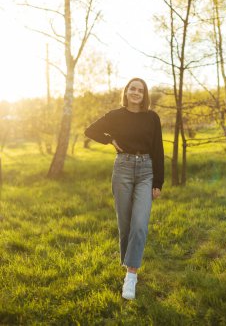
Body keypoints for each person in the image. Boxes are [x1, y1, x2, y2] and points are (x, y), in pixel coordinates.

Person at [84, 77, 164, 300]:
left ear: (144, 94)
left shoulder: (152, 117)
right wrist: (110, 140)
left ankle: (131, 276)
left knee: (140, 224)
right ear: (126, 91)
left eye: (140, 90)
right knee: (125, 224)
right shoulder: (115, 116)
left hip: (147, 170)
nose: (136, 92)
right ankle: (129, 265)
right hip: (123, 170)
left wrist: (158, 182)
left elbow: (158, 148)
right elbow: (90, 131)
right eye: (133, 89)